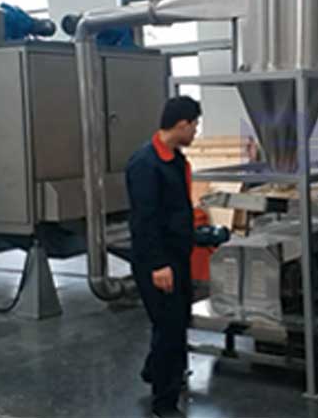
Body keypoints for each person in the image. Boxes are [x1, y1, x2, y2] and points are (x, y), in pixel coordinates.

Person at [126, 96, 201, 418]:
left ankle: (154, 369)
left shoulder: (175, 161)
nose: (196, 131)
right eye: (195, 125)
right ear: (182, 124)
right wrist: (158, 264)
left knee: (175, 321)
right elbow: (145, 219)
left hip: (177, 256)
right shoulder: (146, 163)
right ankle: (164, 403)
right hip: (158, 261)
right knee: (170, 328)